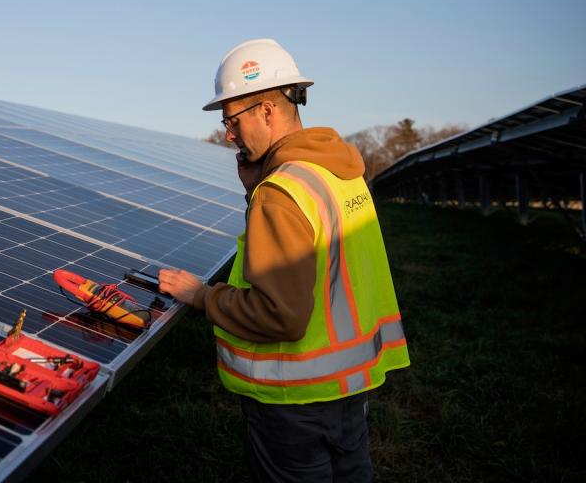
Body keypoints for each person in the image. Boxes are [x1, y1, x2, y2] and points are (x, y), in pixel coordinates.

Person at [158, 39, 410, 483]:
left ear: (267, 110)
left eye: (232, 120)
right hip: (350, 387)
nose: (228, 134)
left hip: (294, 402)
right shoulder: (337, 173)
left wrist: (203, 297)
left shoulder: (282, 192)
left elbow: (280, 315)